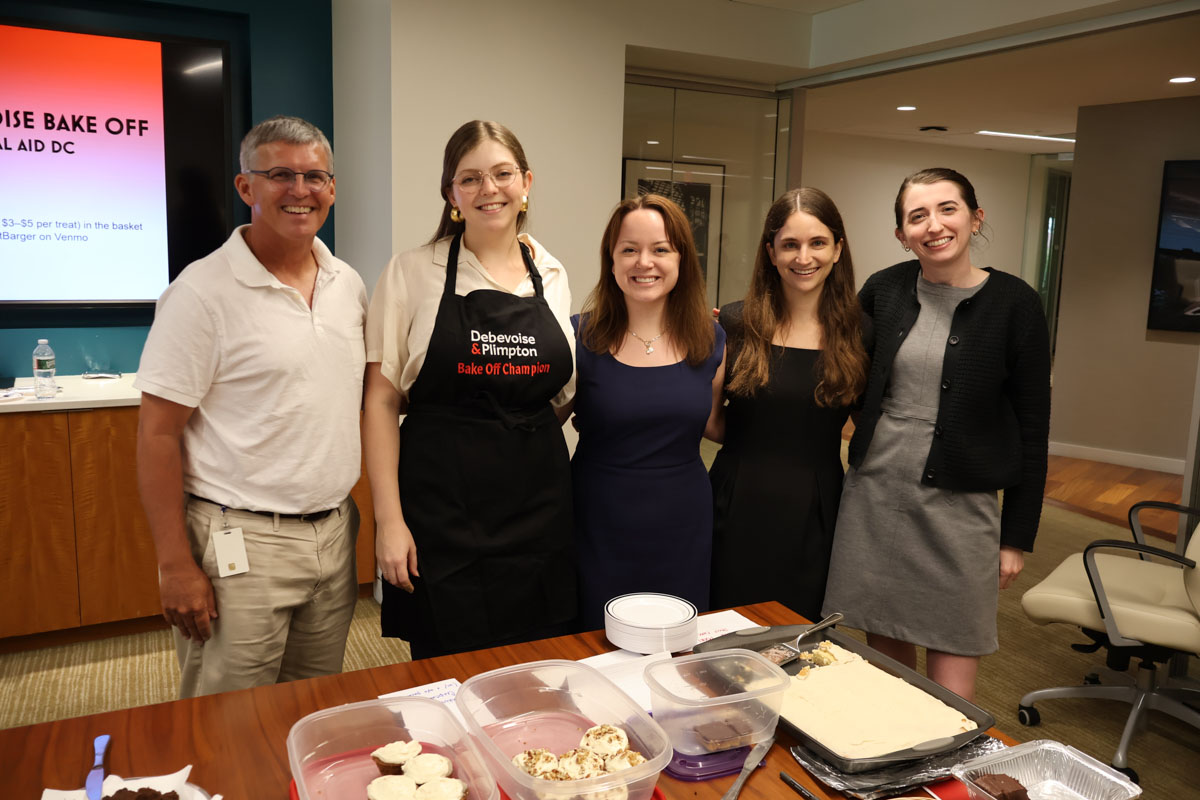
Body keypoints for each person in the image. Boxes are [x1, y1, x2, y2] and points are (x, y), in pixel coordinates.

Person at [135, 115, 366, 698]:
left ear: (332, 189)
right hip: (240, 543)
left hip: (335, 535)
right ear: (246, 188)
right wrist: (174, 565)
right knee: (227, 722)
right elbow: (157, 436)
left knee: (308, 709)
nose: (300, 190)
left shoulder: (348, 284)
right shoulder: (200, 293)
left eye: (315, 176)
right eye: (280, 175)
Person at [822, 167, 1051, 701]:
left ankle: (945, 778)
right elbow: (843, 367)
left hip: (961, 506)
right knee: (886, 669)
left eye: (947, 209)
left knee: (953, 681)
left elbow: (1034, 425)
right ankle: (890, 776)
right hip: (876, 495)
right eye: (916, 216)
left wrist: (1016, 535)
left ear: (975, 217)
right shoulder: (885, 289)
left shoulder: (1015, 304)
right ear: (902, 234)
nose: (934, 225)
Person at [363, 120, 576, 659]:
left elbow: (562, 391)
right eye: (471, 178)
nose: (490, 189)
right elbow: (381, 401)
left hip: (538, 510)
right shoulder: (412, 272)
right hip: (443, 512)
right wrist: (389, 521)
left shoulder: (549, 272)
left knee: (537, 667)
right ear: (451, 193)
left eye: (503, 174)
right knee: (448, 670)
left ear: (526, 182)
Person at [709, 188, 869, 623]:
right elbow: (710, 420)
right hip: (737, 499)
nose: (804, 257)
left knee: (798, 643)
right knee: (723, 634)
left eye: (817, 242)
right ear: (770, 252)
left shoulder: (861, 332)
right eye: (790, 245)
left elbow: (871, 427)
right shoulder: (735, 322)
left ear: (838, 249)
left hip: (815, 510)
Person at [570, 194, 725, 629]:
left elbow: (715, 424)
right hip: (598, 518)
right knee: (596, 647)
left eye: (660, 249)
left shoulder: (711, 340)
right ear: (611, 259)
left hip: (683, 520)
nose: (645, 262)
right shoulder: (579, 336)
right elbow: (538, 428)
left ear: (681, 259)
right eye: (629, 249)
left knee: (674, 648)